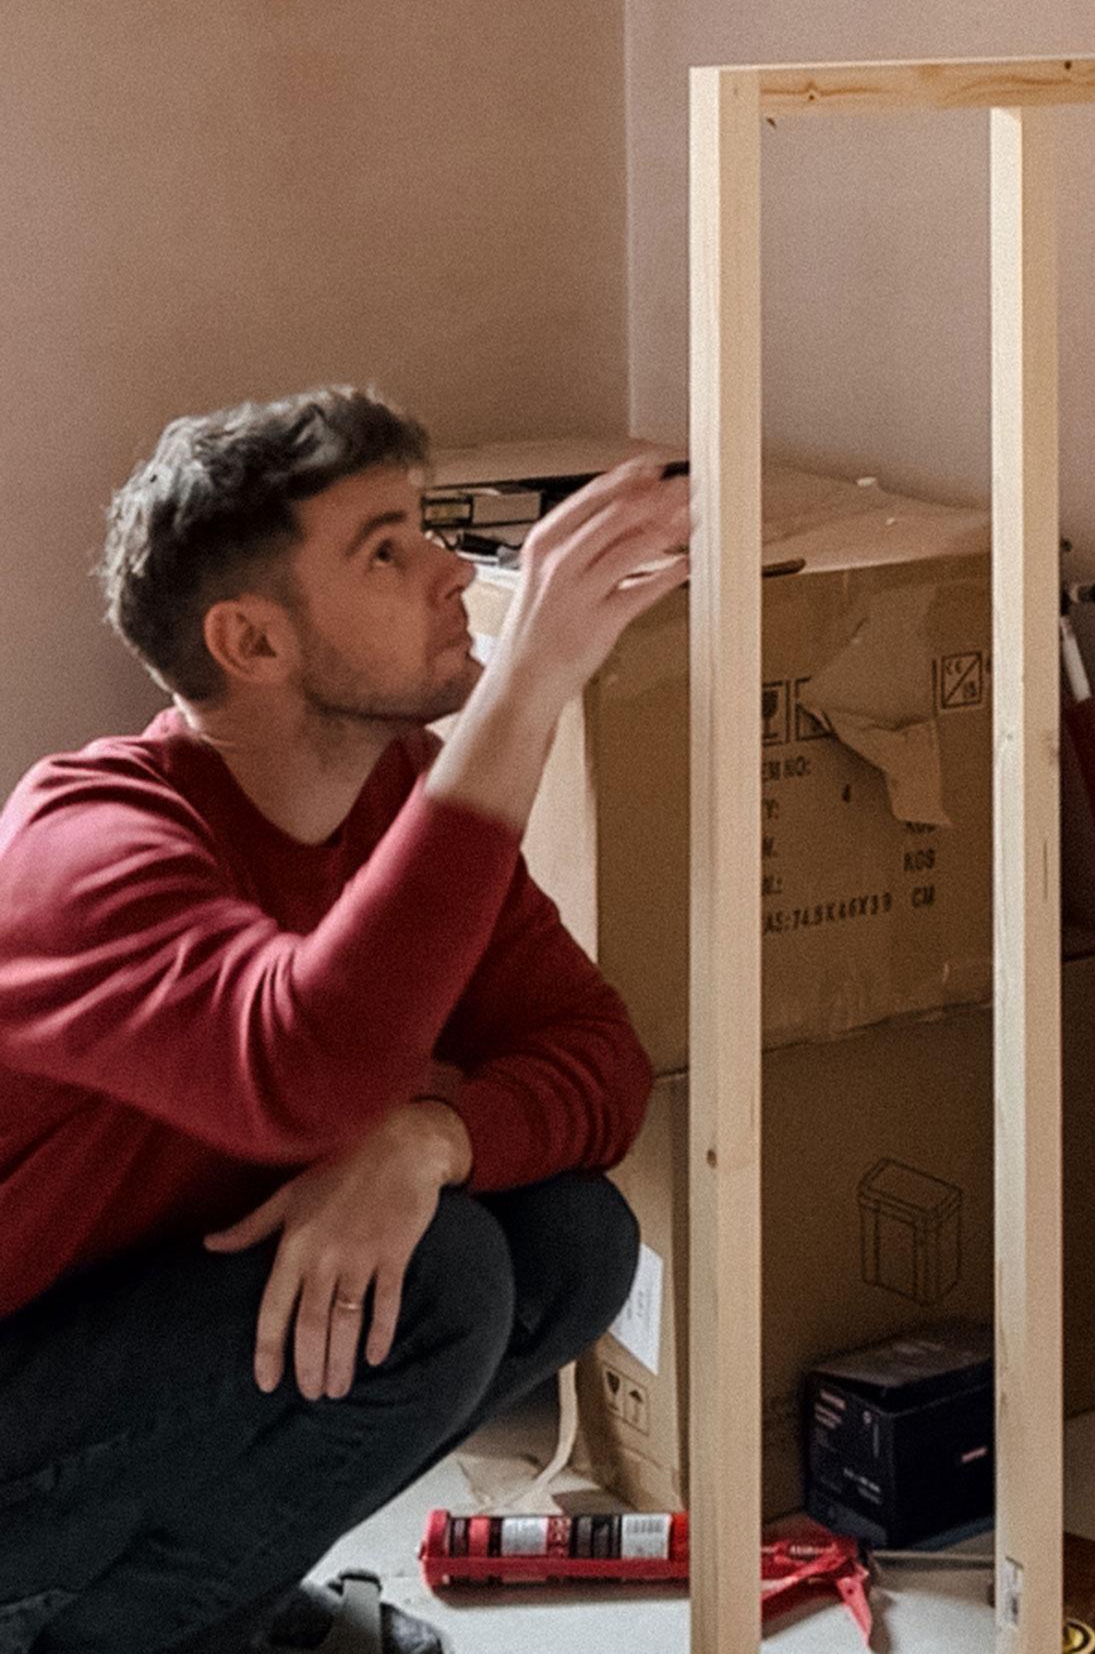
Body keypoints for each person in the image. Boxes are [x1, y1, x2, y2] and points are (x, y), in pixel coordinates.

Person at [0, 389, 689, 1654]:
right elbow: (298, 1067)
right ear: (251, 641)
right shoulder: (84, 843)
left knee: (569, 1235)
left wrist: (428, 1135)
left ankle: (217, 1605)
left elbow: (599, 1062)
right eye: (387, 547)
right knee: (439, 1279)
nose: (449, 573)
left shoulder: (394, 797)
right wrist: (526, 687)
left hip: (137, 1332)